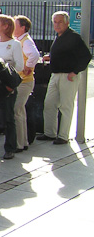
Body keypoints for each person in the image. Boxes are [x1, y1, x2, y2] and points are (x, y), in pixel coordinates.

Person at [37, 11, 91, 144]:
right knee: (49, 104)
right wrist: (50, 57)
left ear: (67, 22)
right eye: (55, 22)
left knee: (66, 106)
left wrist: (75, 72)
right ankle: (50, 133)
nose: (57, 24)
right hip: (55, 74)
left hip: (68, 76)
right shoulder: (58, 37)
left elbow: (86, 56)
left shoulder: (74, 37)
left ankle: (63, 136)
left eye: (60, 22)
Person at [0, 14, 24, 160]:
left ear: (6, 26)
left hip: (7, 84)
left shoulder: (14, 44)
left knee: (8, 117)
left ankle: (10, 148)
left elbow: (20, 65)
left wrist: (6, 64)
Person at [13, 15, 39, 152]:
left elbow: (35, 55)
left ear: (23, 27)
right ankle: (23, 142)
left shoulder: (26, 41)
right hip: (23, 81)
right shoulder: (21, 40)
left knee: (17, 111)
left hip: (24, 82)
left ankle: (19, 143)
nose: (13, 27)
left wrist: (28, 66)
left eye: (15, 25)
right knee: (20, 112)